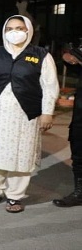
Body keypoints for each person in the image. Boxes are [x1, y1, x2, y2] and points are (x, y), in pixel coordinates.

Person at [0, 15, 59, 213]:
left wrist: (47, 113)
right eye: (9, 29)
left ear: (28, 30)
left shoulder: (41, 55)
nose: (14, 32)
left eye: (19, 28)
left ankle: (15, 196)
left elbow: (50, 86)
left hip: (26, 113)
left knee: (21, 155)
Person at [53, 46, 82, 207]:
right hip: (80, 117)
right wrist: (70, 57)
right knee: (78, 155)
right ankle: (80, 192)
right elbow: (69, 60)